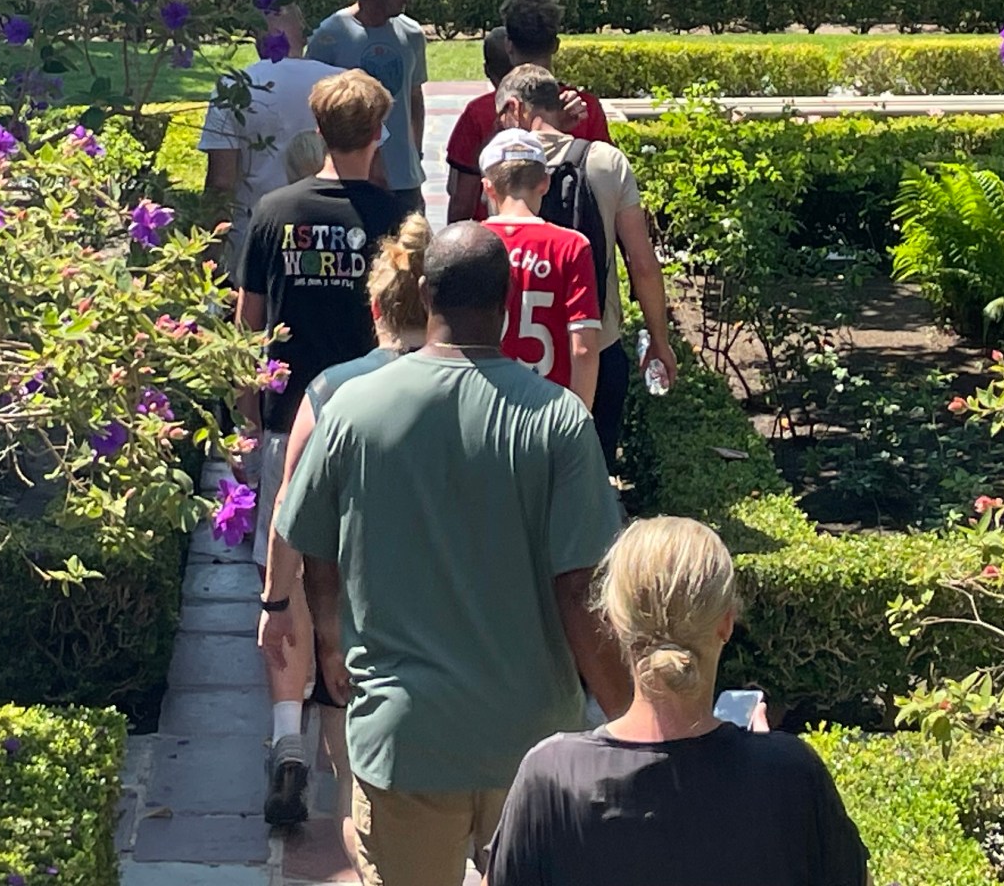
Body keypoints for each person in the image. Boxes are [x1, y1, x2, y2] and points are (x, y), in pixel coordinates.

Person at [276, 223, 631, 886]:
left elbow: (311, 541)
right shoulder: (558, 421)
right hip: (534, 747)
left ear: (425, 293)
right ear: (509, 296)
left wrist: (328, 634)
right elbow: (580, 592)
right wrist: (630, 718)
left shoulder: (352, 410)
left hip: (405, 739)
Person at [488, 517, 871, 886]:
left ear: (612, 621)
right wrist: (768, 765)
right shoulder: (793, 776)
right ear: (725, 623)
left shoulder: (552, 778)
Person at [237, 71, 408, 814]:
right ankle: (347, 753)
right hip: (377, 422)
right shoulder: (402, 216)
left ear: (318, 128)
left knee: (287, 581)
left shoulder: (274, 212)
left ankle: (285, 738)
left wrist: (245, 413)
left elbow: (247, 324)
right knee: (357, 585)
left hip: (290, 422)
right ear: (380, 132)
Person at [257, 214, 433, 826]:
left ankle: (299, 762)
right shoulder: (472, 385)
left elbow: (290, 505)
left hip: (346, 610)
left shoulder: (332, 389)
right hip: (437, 611)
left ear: (376, 307)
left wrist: (278, 602)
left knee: (354, 802)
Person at [497, 64, 680, 471]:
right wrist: (659, 340)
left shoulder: (500, 168)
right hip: (598, 347)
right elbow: (642, 263)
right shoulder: (606, 162)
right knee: (589, 485)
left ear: (514, 108)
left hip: (515, 360)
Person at [446, 0, 612, 224]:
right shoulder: (586, 109)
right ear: (555, 45)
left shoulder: (480, 113)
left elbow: (462, 203)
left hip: (499, 250)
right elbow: (607, 186)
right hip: (572, 249)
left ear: (509, 45)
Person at [200, 0, 341, 271]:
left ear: (257, 37)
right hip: (328, 237)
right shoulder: (340, 84)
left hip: (255, 236)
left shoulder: (233, 88)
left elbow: (221, 181)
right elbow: (372, 170)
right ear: (301, 32)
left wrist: (211, 253)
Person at [477, 129, 601, 408]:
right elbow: (583, 348)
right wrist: (579, 419)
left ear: (488, 187)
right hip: (549, 407)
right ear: (544, 182)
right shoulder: (571, 245)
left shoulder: (470, 242)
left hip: (486, 405)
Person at [307, 0, 430, 224]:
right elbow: (316, 107)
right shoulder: (330, 37)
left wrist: (414, 155)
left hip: (404, 178)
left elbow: (414, 99)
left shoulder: (411, 34)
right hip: (350, 177)